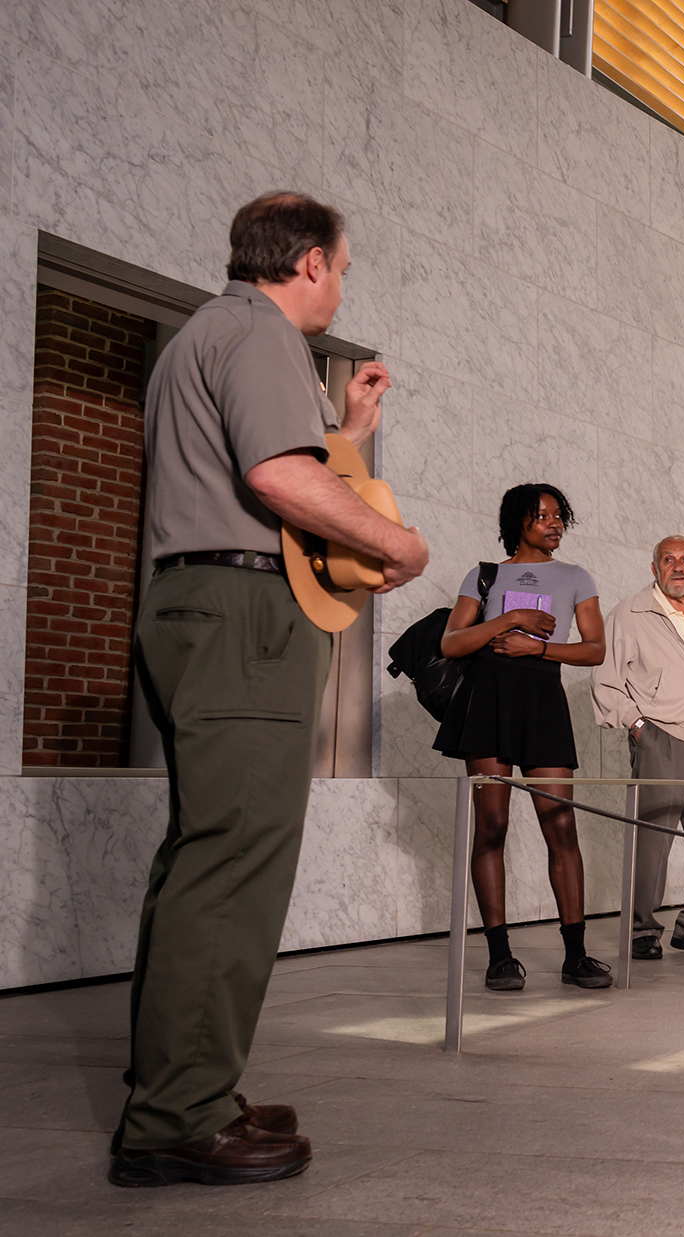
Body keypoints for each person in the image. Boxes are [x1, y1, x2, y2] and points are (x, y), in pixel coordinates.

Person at [113, 192, 431, 1188]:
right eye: (341, 266)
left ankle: (184, 1080)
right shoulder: (255, 334)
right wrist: (397, 541)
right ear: (306, 265)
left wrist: (348, 428)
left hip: (201, 608)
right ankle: (176, 1117)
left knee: (204, 855)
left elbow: (278, 467)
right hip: (241, 619)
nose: (342, 282)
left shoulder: (208, 335)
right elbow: (279, 482)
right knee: (233, 865)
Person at [436, 484, 609, 993]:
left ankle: (576, 955)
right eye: (542, 515)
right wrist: (509, 620)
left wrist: (537, 649)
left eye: (559, 516)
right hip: (488, 707)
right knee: (491, 825)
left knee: (560, 825)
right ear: (519, 521)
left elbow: (595, 650)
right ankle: (500, 956)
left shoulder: (577, 577)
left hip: (542, 705)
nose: (554, 523)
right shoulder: (483, 575)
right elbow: (451, 642)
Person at [593, 535, 684, 961]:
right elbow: (606, 677)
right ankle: (642, 931)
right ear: (654, 568)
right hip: (660, 736)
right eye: (668, 560)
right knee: (652, 841)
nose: (678, 567)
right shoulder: (631, 612)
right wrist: (638, 726)